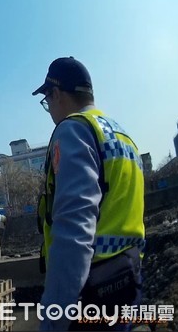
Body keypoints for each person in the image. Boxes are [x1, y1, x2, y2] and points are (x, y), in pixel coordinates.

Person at [33, 57, 145, 331]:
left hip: (91, 295)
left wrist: (54, 318)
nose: (49, 110)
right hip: (129, 282)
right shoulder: (123, 137)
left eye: (47, 101)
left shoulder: (73, 130)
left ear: (56, 94)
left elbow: (74, 231)